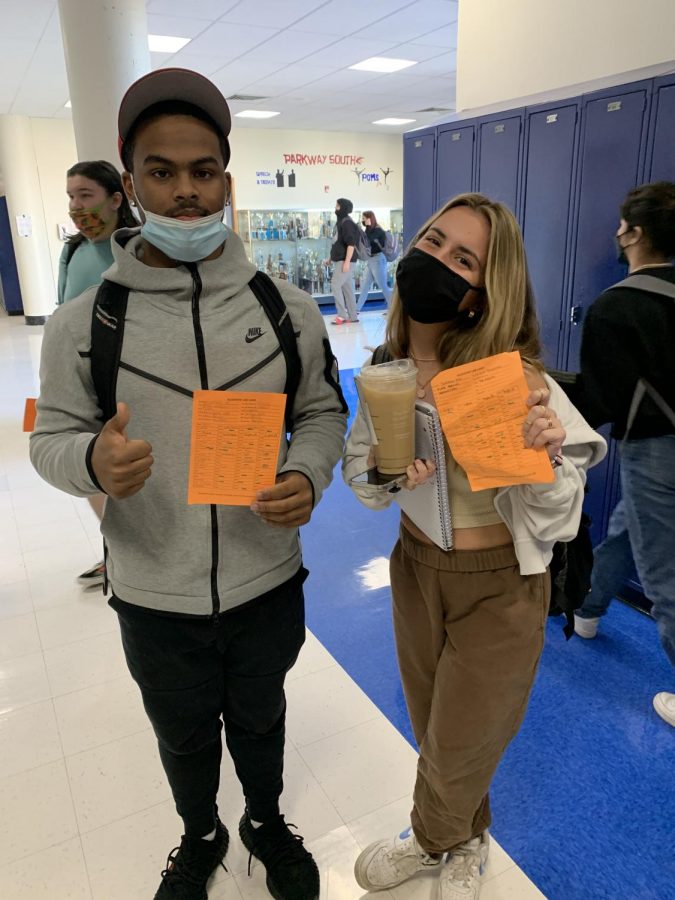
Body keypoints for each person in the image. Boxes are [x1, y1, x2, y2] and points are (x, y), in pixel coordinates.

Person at [30, 67, 348, 900]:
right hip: (152, 588)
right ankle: (201, 833)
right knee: (181, 736)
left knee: (262, 719)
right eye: (162, 173)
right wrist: (90, 464)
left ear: (226, 181)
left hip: (266, 580)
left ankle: (265, 821)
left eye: (202, 171)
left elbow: (320, 413)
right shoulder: (83, 323)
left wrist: (307, 475)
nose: (185, 193)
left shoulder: (288, 308)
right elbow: (51, 440)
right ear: (132, 185)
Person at [342, 193, 605, 900]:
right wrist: (383, 475)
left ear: (481, 293)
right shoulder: (385, 368)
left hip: (500, 583)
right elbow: (361, 477)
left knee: (461, 741)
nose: (436, 262)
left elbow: (557, 523)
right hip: (415, 568)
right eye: (431, 242)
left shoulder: (513, 383)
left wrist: (546, 455)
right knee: (437, 726)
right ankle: (467, 836)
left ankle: (430, 840)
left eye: (463, 259)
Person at [574, 181, 675, 729]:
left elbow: (598, 400)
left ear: (634, 234)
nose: (616, 232)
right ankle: (588, 611)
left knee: (663, 578)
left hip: (655, 451)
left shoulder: (618, 305)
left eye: (621, 224)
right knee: (626, 528)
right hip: (658, 455)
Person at [58, 160, 138, 588]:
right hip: (81, 383)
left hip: (128, 382)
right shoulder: (71, 252)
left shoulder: (138, 249)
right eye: (71, 196)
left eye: (85, 195)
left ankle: (129, 549)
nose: (76, 205)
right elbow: (61, 316)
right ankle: (115, 545)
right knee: (91, 467)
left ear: (115, 198)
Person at [329, 197, 359, 324]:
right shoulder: (341, 222)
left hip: (345, 261)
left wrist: (346, 262)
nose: (335, 208)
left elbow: (351, 244)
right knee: (348, 289)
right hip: (342, 260)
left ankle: (342, 315)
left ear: (343, 208)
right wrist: (330, 258)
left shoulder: (347, 223)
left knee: (335, 285)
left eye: (337, 206)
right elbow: (338, 243)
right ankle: (353, 316)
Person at [356, 210, 393, 313]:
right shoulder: (369, 229)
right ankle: (356, 309)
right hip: (371, 260)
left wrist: (367, 228)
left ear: (369, 219)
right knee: (364, 286)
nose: (363, 221)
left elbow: (370, 241)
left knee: (383, 286)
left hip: (378, 260)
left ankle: (393, 308)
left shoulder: (378, 231)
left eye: (364, 218)